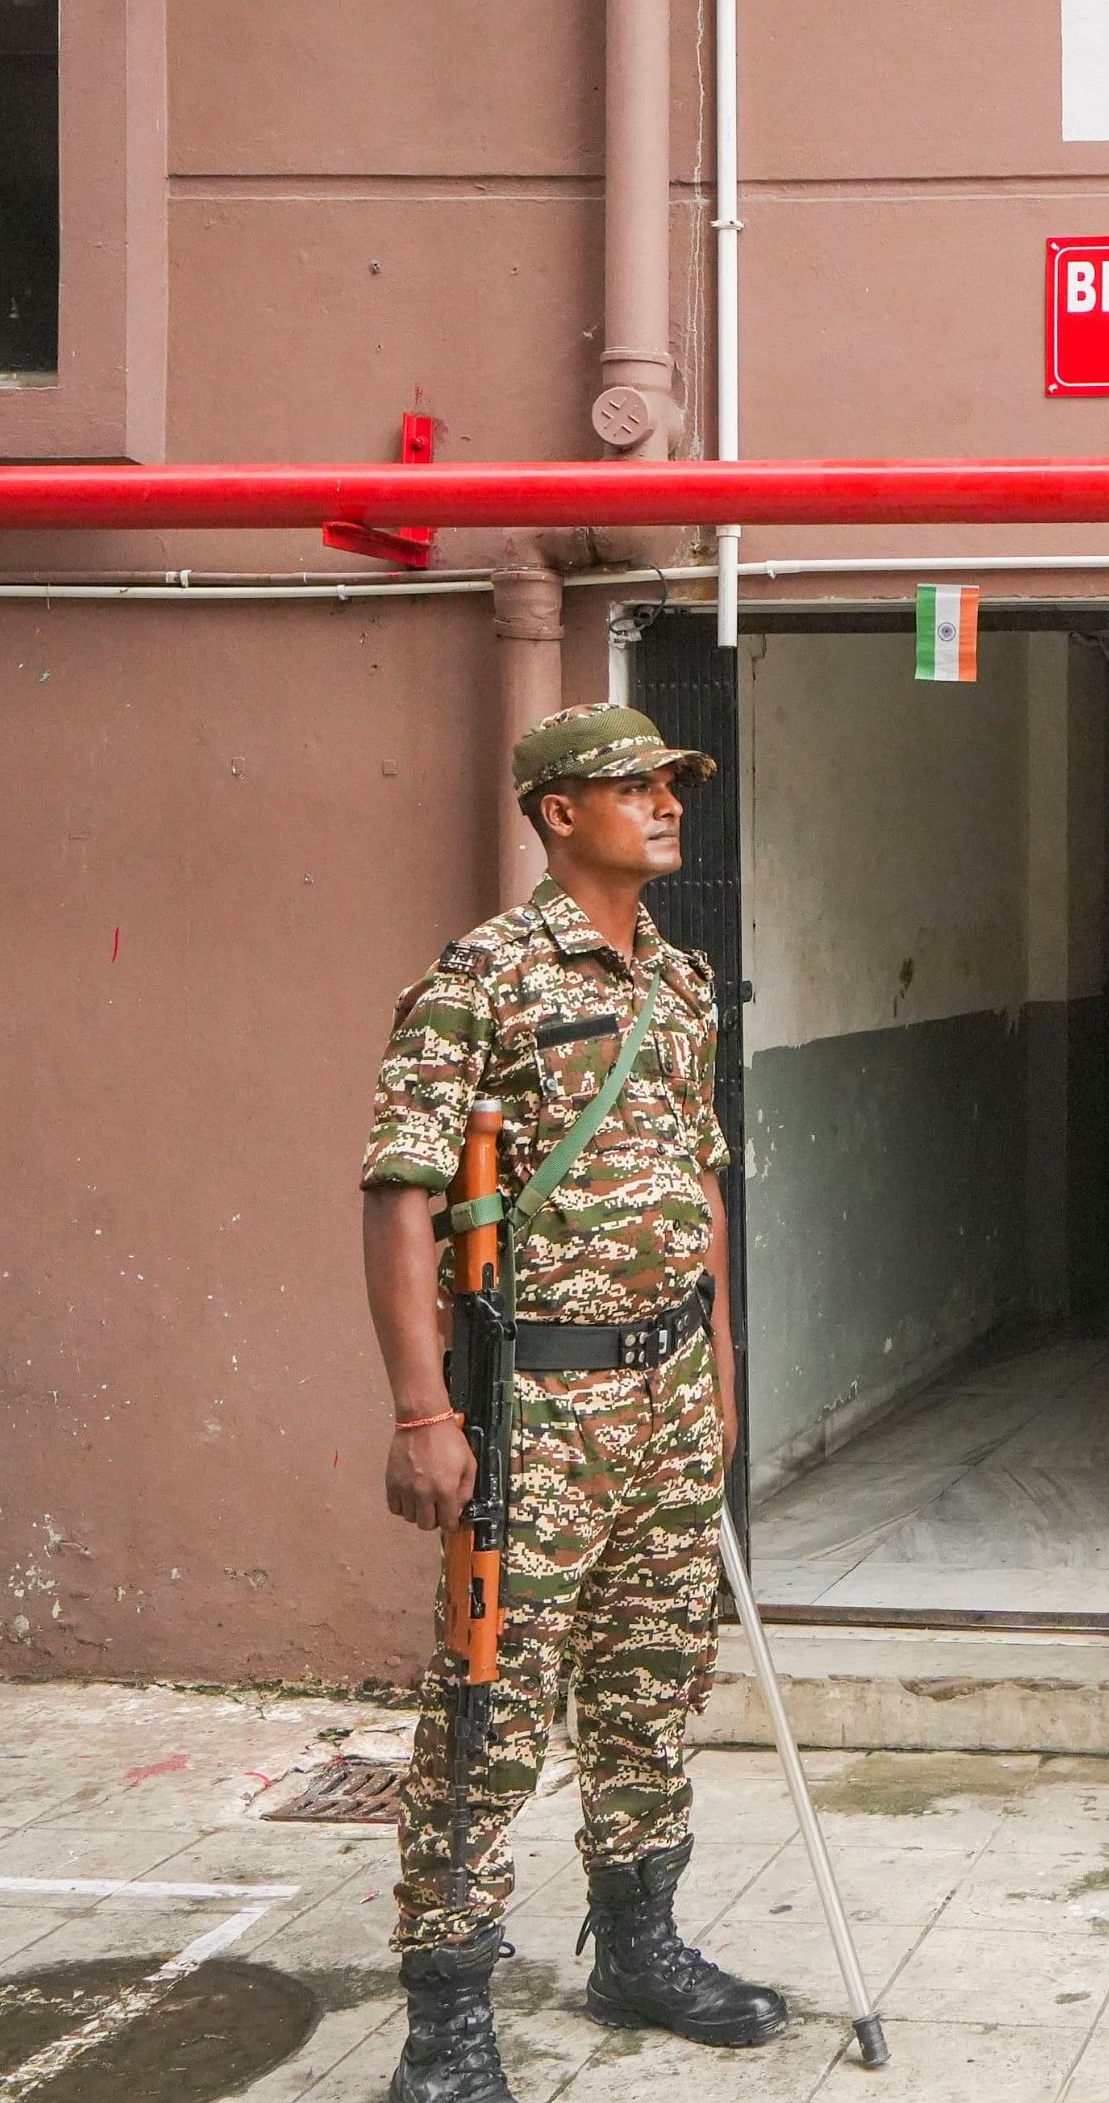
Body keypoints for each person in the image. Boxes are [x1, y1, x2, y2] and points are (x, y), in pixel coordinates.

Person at [359, 704, 783, 2103]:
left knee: (653, 1682)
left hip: (665, 1388)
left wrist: (716, 1380)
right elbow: (401, 1196)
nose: (666, 803)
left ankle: (639, 1944)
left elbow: (703, 1181)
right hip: (533, 1407)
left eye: (674, 783)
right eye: (634, 786)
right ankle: (447, 2012)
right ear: (557, 812)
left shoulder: (676, 977)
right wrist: (424, 1415)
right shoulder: (485, 974)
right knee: (488, 1705)